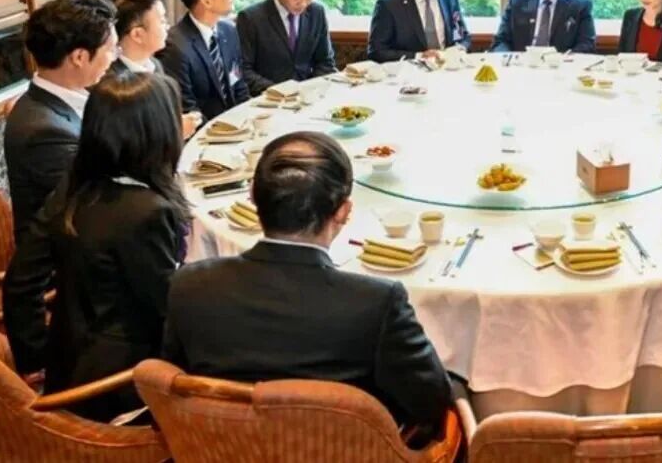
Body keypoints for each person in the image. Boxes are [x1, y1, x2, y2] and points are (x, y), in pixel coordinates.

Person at [163, 131, 454, 442]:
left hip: (223, 449)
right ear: (343, 211)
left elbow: (173, 386)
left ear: (252, 196)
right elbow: (431, 402)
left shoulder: (190, 284)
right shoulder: (377, 303)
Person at [3, 71, 190, 422]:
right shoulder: (147, 211)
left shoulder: (73, 187)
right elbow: (165, 312)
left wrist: (33, 359)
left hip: (67, 371)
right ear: (158, 132)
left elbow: (21, 281)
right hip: (120, 389)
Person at [4, 0, 117, 241]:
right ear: (79, 57)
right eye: (110, 50)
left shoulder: (71, 95)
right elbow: (96, 199)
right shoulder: (44, 131)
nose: (114, 58)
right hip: (64, 252)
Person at [159, 0, 264, 120]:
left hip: (238, 124)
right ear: (207, 1)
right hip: (205, 129)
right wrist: (226, 131)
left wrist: (250, 119)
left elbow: (238, 85)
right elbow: (187, 107)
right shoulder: (175, 46)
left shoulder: (228, 30)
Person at [106, 0, 201, 139]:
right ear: (137, 34)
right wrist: (174, 131)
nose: (168, 26)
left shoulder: (154, 64)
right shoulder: (113, 85)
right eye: (162, 21)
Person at [236, 0, 337, 92]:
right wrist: (279, 91)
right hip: (269, 97)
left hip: (310, 95)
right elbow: (243, 70)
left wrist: (311, 89)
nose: (303, 4)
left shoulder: (317, 12)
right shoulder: (250, 18)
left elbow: (325, 62)